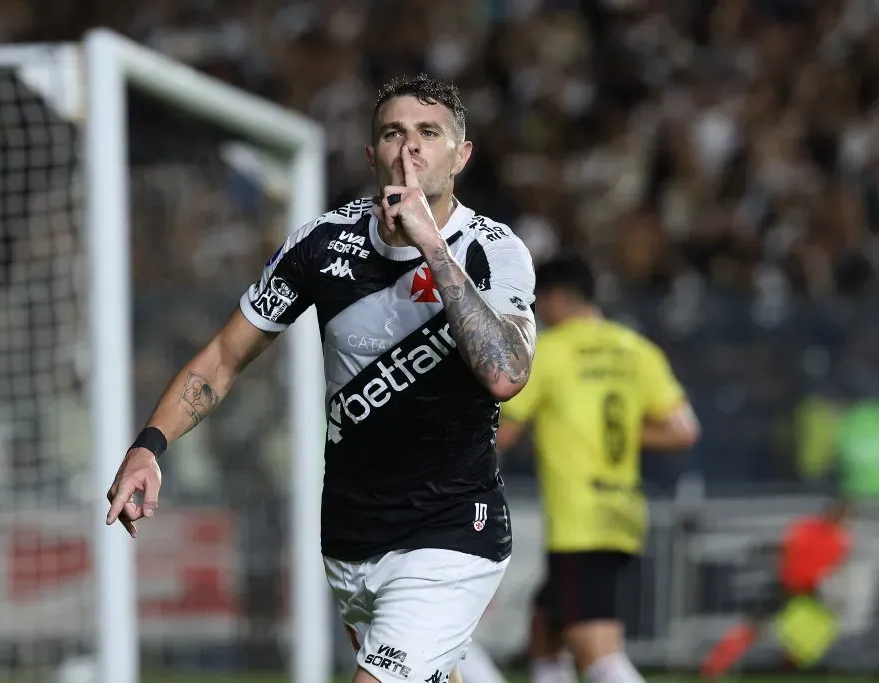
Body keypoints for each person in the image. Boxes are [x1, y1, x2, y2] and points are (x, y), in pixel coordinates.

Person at [105, 73, 538, 683]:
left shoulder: (493, 250)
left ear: (460, 155)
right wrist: (150, 445)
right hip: (352, 535)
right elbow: (224, 357)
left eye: (428, 133)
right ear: (372, 154)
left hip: (451, 532)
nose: (408, 148)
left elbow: (506, 375)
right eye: (393, 133)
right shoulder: (321, 244)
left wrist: (432, 248)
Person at [488, 254, 699, 683]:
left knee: (597, 651)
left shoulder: (552, 350)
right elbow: (683, 431)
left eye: (537, 302)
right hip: (622, 512)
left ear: (558, 300)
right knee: (546, 626)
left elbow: (503, 433)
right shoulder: (637, 350)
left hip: (578, 517)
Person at [700, 498, 852, 679]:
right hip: (793, 587)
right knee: (755, 628)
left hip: (800, 588)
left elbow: (794, 556)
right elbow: (807, 561)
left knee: (813, 628)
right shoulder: (823, 535)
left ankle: (786, 664)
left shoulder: (813, 531)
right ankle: (715, 666)